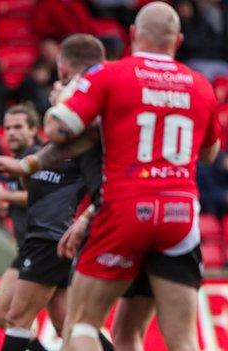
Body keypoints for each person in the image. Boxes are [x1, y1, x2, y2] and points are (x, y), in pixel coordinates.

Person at [26, 3, 220, 350]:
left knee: (81, 323)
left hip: (126, 210)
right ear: (178, 40)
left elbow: (56, 128)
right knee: (182, 338)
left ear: (132, 35)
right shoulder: (201, 85)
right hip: (180, 216)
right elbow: (210, 154)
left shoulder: (110, 73)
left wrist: (65, 99)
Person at [0, 105, 40, 329]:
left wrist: (4, 194)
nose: (11, 132)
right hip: (28, 248)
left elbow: (43, 194)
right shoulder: (16, 161)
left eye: (18, 127)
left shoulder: (37, 158)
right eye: (7, 128)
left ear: (33, 130)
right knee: (5, 313)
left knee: (6, 313)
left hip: (41, 247)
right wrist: (8, 208)